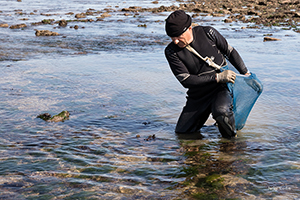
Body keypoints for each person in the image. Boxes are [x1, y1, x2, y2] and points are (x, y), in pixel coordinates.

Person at [164, 10, 250, 139]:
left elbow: (230, 52)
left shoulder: (208, 33)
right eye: (172, 38)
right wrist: (217, 77)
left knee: (221, 112)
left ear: (189, 28)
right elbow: (186, 81)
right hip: (198, 94)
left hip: (221, 88)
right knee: (182, 134)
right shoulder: (171, 52)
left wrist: (245, 73)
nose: (175, 41)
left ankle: (231, 144)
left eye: (178, 36)